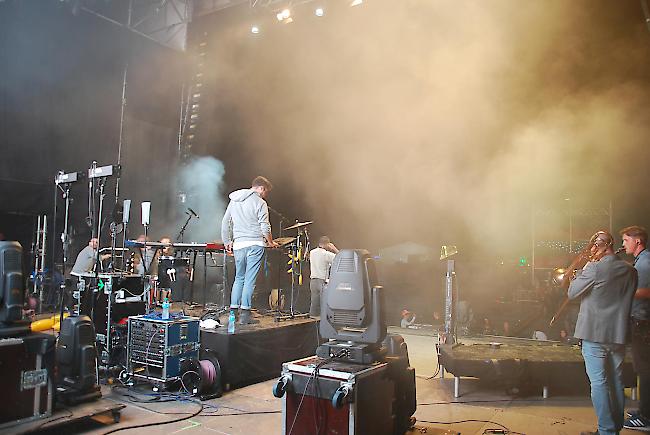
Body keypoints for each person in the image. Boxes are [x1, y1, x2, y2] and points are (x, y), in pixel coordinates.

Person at [568, 230, 637, 435]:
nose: (592, 251)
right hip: (618, 335)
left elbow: (572, 292)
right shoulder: (630, 270)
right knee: (616, 380)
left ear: (601, 246)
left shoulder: (595, 268)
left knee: (598, 383)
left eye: (594, 247)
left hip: (594, 335)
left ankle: (607, 431)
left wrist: (581, 272)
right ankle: (615, 426)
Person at [221, 176, 278, 325]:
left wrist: (227, 241)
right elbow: (265, 226)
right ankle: (245, 314)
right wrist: (270, 242)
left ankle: (233, 311)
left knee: (239, 278)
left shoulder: (234, 200)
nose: (265, 194)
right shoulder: (260, 203)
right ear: (261, 188)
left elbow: (225, 222)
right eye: (266, 191)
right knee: (249, 279)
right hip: (255, 244)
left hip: (239, 244)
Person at [620, 226, 650, 431]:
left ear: (637, 241)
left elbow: (647, 291)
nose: (623, 244)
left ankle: (646, 417)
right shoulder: (642, 260)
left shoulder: (645, 263)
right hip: (640, 321)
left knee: (645, 370)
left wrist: (623, 294)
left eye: (625, 240)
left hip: (643, 323)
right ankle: (644, 411)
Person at [308, 235, 339, 317]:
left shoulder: (312, 252)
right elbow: (340, 258)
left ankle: (312, 321)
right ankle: (324, 323)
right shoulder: (326, 254)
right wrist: (334, 248)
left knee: (314, 304)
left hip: (313, 281)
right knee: (324, 303)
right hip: (322, 281)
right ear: (327, 244)